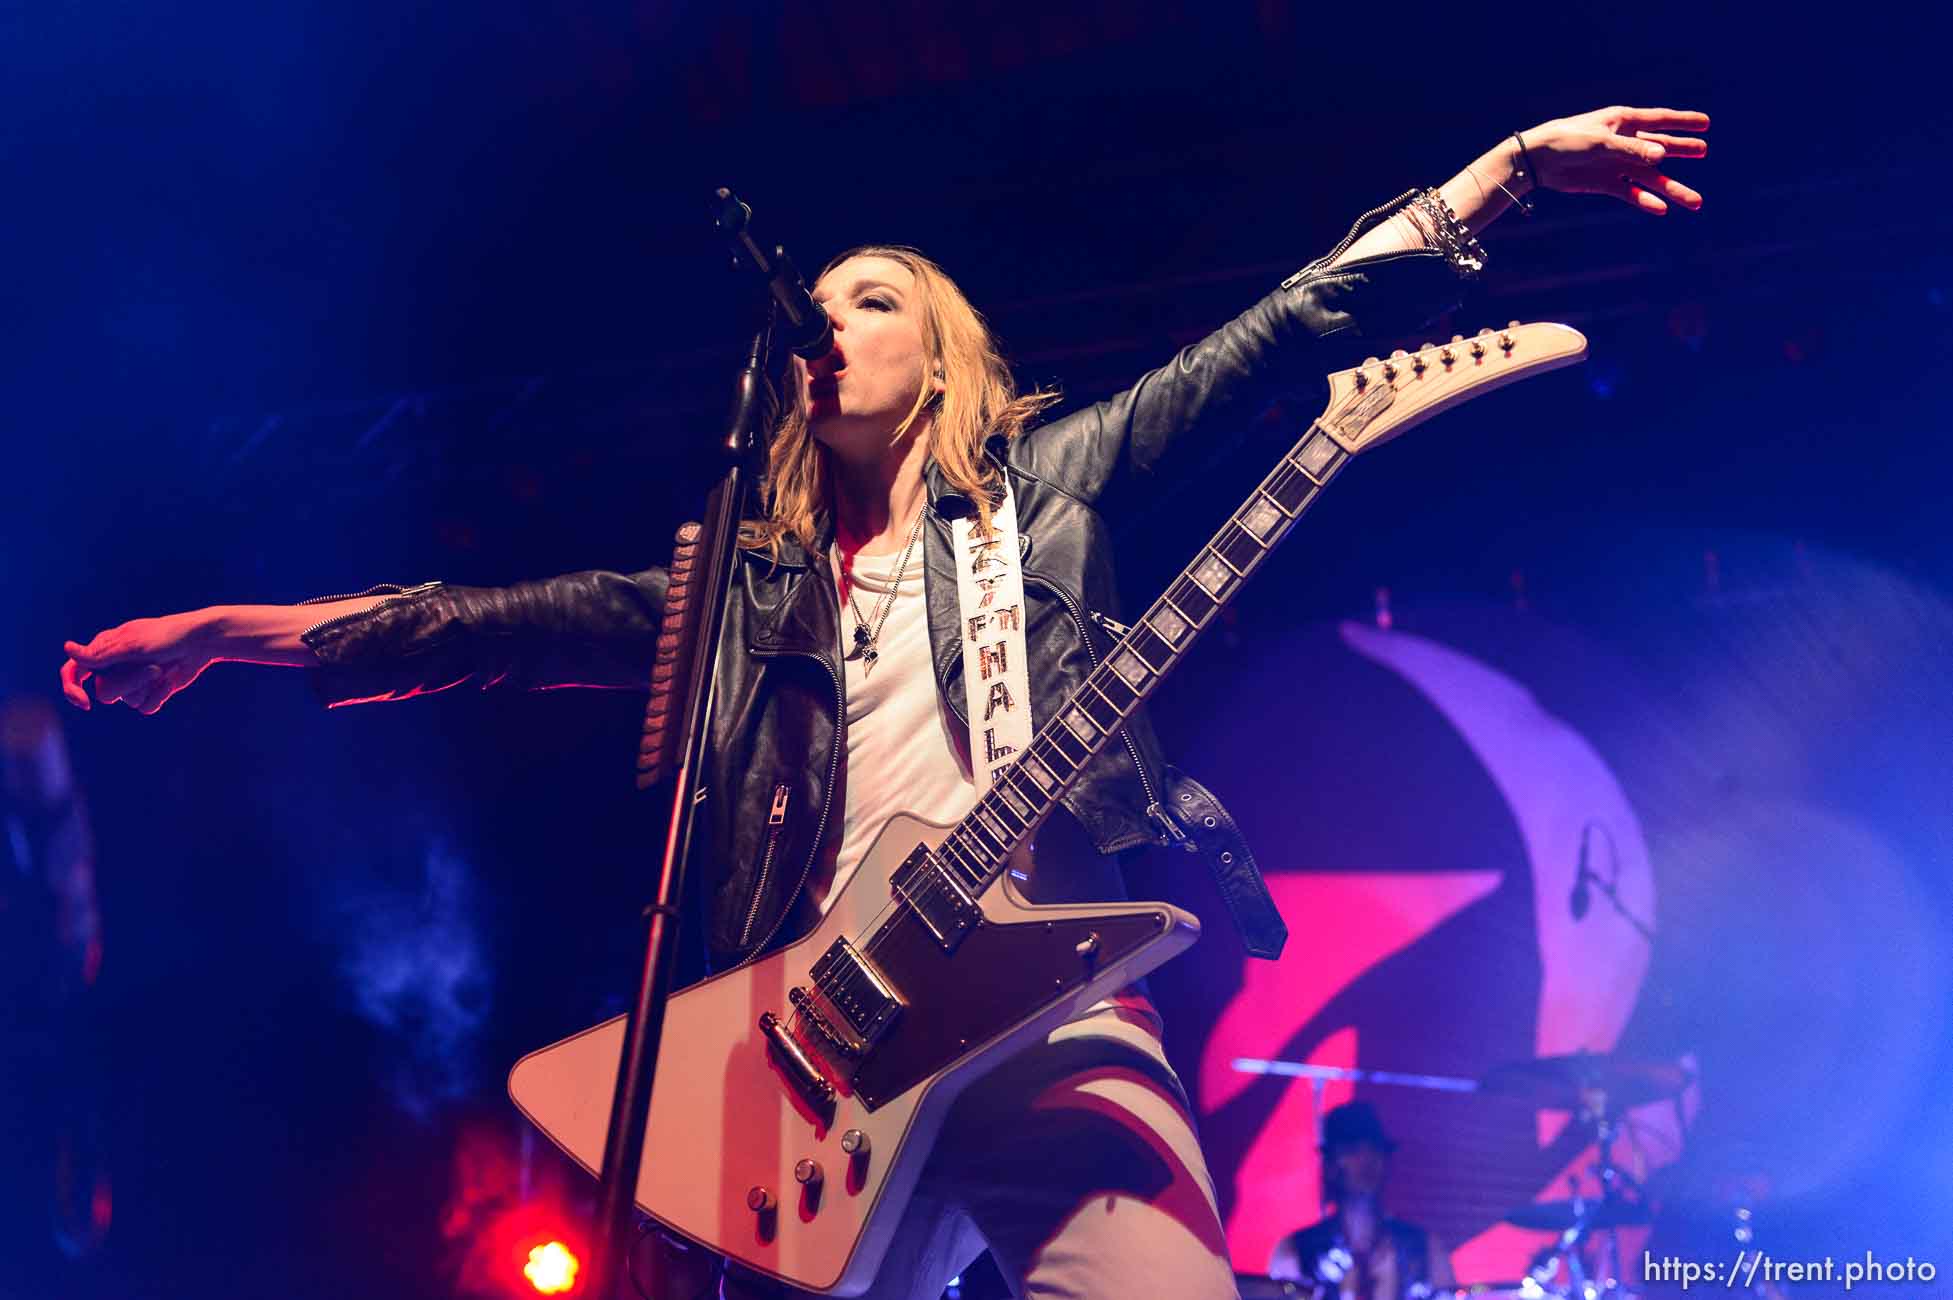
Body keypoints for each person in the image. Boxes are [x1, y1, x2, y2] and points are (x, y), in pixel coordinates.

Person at [60, 106, 1707, 1298]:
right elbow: (473, 626)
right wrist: (225, 629)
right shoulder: (739, 597)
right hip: (815, 1065)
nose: (827, 326)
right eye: (819, 307)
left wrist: (1484, 187)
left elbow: (1275, 341)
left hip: (1048, 1008)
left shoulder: (1052, 490)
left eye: (870, 300)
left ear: (944, 357)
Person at [1267, 1103, 1456, 1300]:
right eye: (1352, 1150)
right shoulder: (1297, 1251)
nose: (1366, 1159)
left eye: (1374, 1150)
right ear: (1331, 1164)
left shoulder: (1424, 1249)